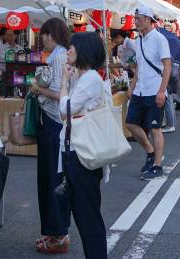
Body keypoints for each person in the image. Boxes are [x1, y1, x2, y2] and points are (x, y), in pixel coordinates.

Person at [58, 32, 112, 259]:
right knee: (84, 214)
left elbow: (64, 110)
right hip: (80, 152)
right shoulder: (85, 78)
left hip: (83, 155)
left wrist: (62, 82)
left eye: (72, 47)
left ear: (84, 51)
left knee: (87, 216)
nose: (68, 51)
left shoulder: (90, 79)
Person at [29, 17, 71, 253]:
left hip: (54, 122)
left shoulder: (58, 56)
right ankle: (56, 232)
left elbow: (58, 92)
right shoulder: (62, 55)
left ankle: (58, 234)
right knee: (53, 178)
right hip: (56, 123)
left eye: (43, 35)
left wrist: (37, 89)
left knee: (51, 179)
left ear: (50, 35)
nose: (41, 39)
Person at [123, 6, 171, 181]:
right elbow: (139, 68)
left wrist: (162, 91)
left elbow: (167, 66)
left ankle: (157, 166)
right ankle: (151, 152)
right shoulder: (139, 40)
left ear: (149, 20)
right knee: (130, 123)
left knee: (155, 128)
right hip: (140, 90)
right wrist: (131, 87)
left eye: (138, 18)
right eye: (135, 18)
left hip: (154, 90)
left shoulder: (159, 39)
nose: (135, 21)